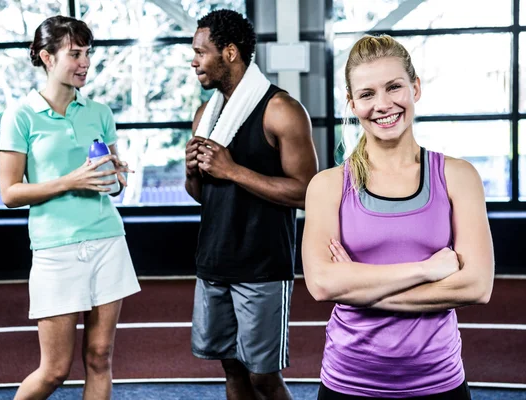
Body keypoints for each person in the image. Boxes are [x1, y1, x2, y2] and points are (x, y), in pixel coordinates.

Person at [302, 34, 495, 399]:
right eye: (367, 94)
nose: (383, 104)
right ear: (352, 102)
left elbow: (477, 286)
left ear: (415, 87)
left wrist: (358, 289)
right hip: (349, 382)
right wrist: (425, 270)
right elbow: (323, 284)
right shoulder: (327, 187)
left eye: (394, 87)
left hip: (439, 382)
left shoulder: (458, 176)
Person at [0, 15, 140, 400]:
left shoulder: (100, 112)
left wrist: (117, 175)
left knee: (100, 357)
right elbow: (9, 193)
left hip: (108, 241)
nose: (85, 63)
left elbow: (112, 183)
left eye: (87, 53)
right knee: (55, 370)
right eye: (74, 54)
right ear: (46, 57)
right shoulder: (20, 115)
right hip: (56, 250)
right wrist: (70, 181)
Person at [185, 9, 319, 400]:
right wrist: (192, 171)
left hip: (261, 267)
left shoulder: (282, 110)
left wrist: (231, 170)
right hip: (213, 262)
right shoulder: (204, 116)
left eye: (200, 52)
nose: (193, 61)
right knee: (231, 369)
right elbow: (202, 195)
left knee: (263, 377)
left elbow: (307, 191)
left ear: (229, 52)